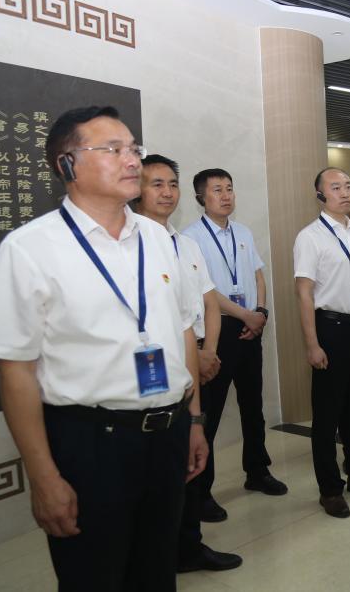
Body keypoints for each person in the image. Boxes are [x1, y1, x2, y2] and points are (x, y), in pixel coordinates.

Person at [0, 106, 208, 590]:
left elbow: (183, 328)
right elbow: (14, 371)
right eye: (113, 149)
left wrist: (195, 420)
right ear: (67, 164)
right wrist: (43, 476)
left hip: (168, 435)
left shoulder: (158, 237)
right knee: (93, 576)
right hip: (92, 443)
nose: (132, 160)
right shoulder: (30, 248)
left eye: (134, 148)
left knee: (156, 572)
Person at [133, 154, 242, 572]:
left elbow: (209, 302)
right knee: (164, 464)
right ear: (136, 190)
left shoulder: (186, 243)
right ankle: (165, 551)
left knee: (194, 450)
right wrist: (194, 356)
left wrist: (208, 351)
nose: (167, 192)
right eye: (156, 184)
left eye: (172, 184)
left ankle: (189, 545)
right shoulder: (133, 242)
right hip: (161, 365)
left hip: (199, 355)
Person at [182, 168, 287, 521]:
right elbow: (207, 291)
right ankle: (201, 491)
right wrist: (245, 315)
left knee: (252, 405)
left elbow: (258, 275)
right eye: (217, 190)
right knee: (208, 413)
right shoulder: (191, 238)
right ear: (201, 197)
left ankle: (257, 470)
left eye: (229, 188)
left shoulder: (242, 232)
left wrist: (260, 312)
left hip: (251, 327)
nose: (226, 195)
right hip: (218, 330)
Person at [294, 167, 350, 519]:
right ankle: (330, 489)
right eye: (335, 187)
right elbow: (304, 293)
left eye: (347, 186)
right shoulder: (310, 237)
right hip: (330, 328)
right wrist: (312, 344)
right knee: (327, 414)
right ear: (320, 195)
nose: (345, 193)